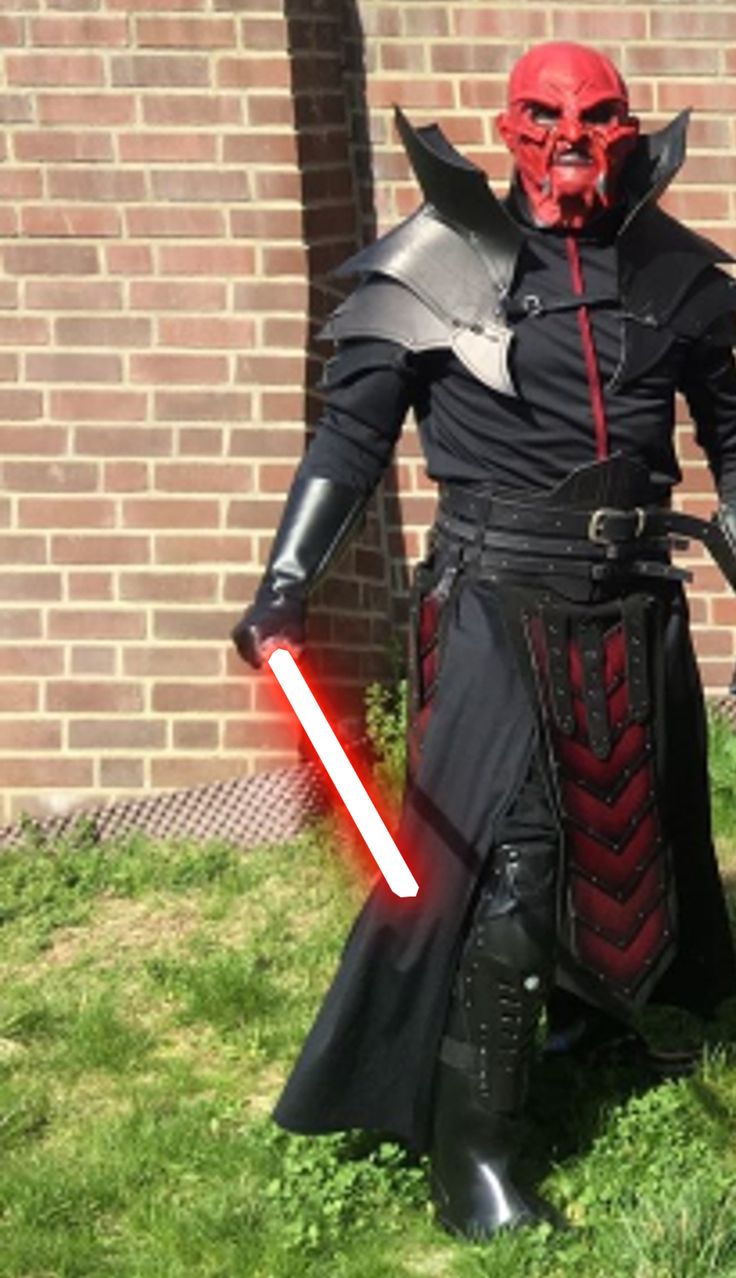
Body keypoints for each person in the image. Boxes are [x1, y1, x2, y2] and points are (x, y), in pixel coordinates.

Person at [232, 41, 736, 1241]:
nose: (573, 141)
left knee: (627, 838)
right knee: (512, 872)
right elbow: (349, 441)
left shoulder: (672, 272)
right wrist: (287, 579)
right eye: (547, 118)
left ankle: (591, 1016)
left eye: (599, 119)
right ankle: (475, 1163)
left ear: (630, 132)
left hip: (628, 601)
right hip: (495, 601)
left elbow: (732, 427)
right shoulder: (435, 265)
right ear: (508, 129)